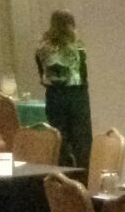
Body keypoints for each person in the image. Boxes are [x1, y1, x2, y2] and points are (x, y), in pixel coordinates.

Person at [34, 10, 92, 167]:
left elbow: (42, 75)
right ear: (71, 24)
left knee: (59, 138)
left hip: (54, 96)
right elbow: (84, 73)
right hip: (77, 95)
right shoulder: (78, 46)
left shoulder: (42, 47)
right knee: (82, 139)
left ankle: (63, 171)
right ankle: (83, 173)